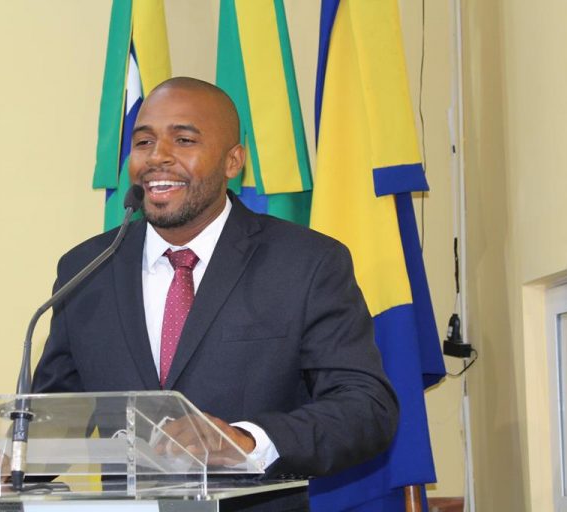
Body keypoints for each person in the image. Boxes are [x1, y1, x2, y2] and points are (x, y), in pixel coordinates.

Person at [32, 77, 399, 487]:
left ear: (233, 161)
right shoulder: (88, 268)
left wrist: (247, 441)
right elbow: (58, 418)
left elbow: (365, 408)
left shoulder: (305, 264)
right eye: (144, 142)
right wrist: (6, 458)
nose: (158, 157)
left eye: (184, 141)